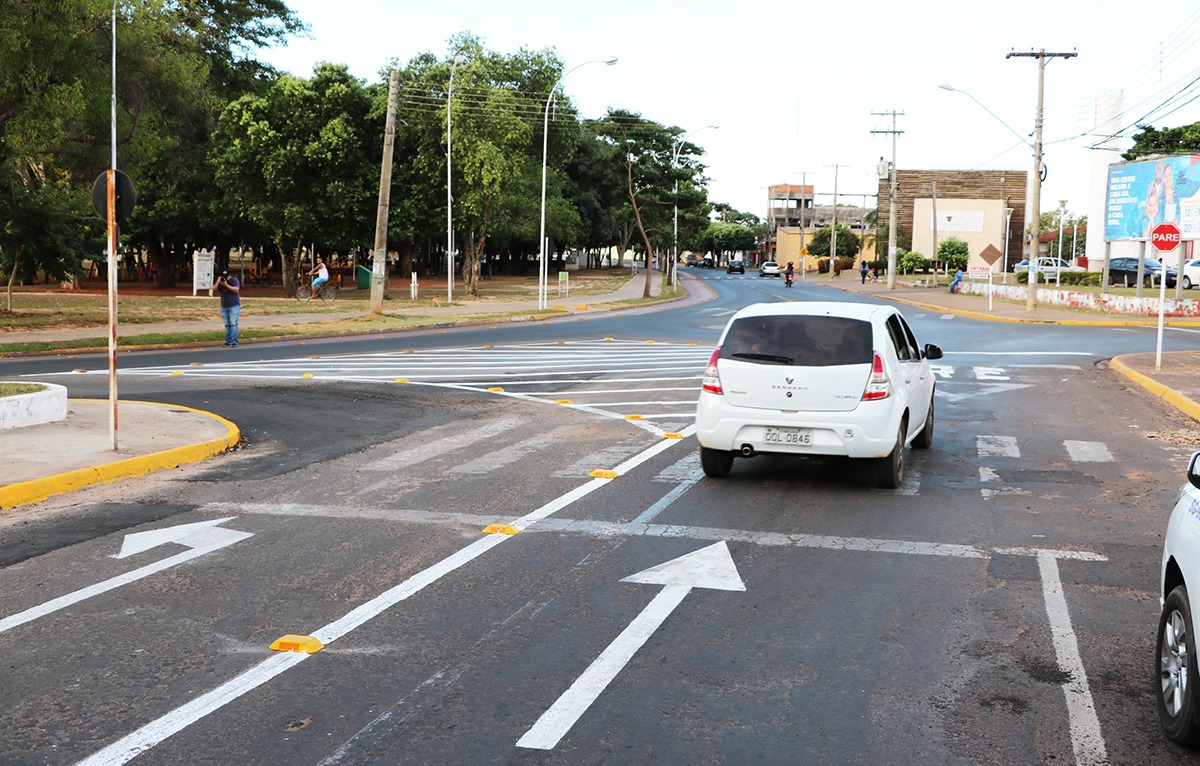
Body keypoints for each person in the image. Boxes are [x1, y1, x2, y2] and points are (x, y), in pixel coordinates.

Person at [213, 269, 240, 347]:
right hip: (224, 306)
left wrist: (226, 285)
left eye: (226, 277)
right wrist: (218, 282)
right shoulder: (220, 282)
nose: (225, 279)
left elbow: (236, 290)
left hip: (234, 305)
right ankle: (228, 341)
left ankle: (234, 342)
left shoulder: (234, 280)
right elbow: (213, 290)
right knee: (227, 324)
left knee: (233, 323)